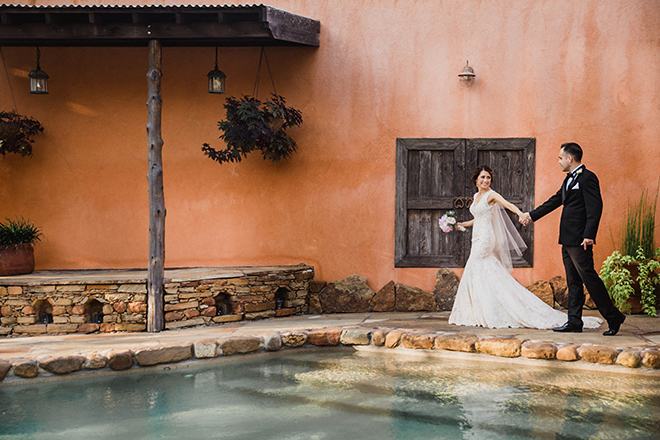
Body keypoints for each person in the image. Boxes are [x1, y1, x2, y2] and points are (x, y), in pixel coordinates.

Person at [449, 165, 603, 329]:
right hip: (477, 237)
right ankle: (478, 309)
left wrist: (522, 215)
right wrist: (462, 224)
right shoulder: (476, 196)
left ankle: (491, 310)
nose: (486, 180)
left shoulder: (491, 195)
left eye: (488, 177)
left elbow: (508, 205)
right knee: (481, 269)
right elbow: (479, 217)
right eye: (483, 177)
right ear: (476, 180)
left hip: (486, 238)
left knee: (478, 266)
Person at [521, 142, 626, 336]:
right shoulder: (568, 179)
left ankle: (613, 316)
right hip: (567, 239)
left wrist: (589, 235)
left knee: (590, 278)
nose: (559, 161)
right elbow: (555, 200)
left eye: (560, 157)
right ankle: (574, 322)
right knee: (573, 282)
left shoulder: (588, 178)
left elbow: (595, 208)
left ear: (570, 158)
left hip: (580, 240)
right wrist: (531, 215)